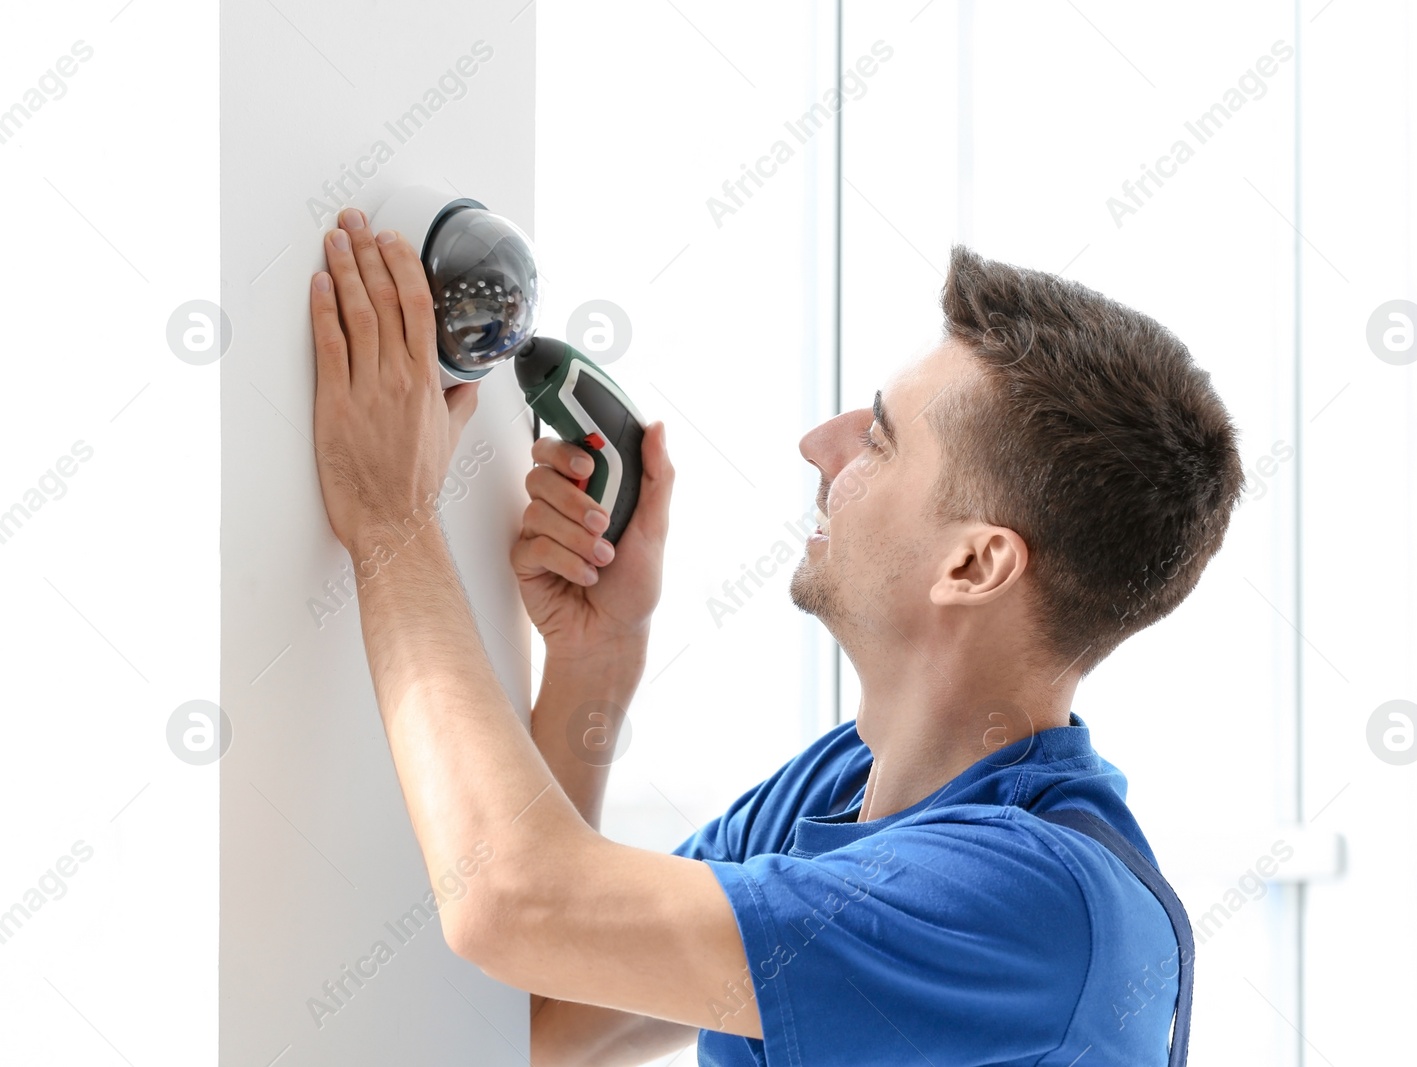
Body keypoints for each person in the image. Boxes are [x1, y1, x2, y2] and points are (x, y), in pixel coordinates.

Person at [308, 205, 1243, 1065]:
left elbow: (511, 902)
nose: (820, 448)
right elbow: (548, 1018)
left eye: (879, 441)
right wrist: (599, 659)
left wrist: (392, 524)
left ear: (974, 565)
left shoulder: (1035, 905)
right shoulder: (835, 789)